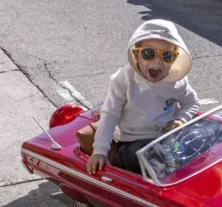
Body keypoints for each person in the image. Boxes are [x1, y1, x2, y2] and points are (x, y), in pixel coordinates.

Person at [85, 20, 200, 175]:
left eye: (167, 56)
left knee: (201, 141)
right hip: (132, 142)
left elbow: (192, 102)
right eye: (148, 53)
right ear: (136, 55)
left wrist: (181, 119)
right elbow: (110, 114)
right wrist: (100, 150)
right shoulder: (124, 79)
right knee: (153, 156)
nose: (157, 61)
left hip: (165, 139)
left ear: (174, 59)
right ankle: (160, 190)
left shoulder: (177, 81)